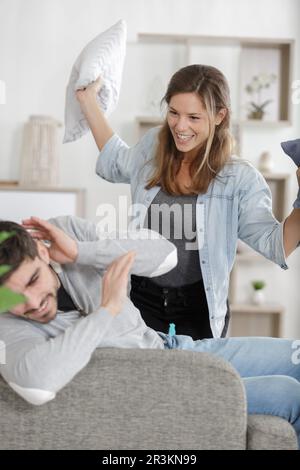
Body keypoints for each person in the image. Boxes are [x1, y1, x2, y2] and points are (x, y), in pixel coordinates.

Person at [0, 216, 299, 448]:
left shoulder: (65, 233)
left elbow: (165, 256)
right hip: (157, 386)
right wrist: (107, 311)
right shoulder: (5, 322)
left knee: (296, 356)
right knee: (289, 394)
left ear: (42, 252)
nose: (32, 303)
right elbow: (36, 385)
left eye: (33, 280)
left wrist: (81, 252)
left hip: (172, 348)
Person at [76, 64, 300, 341]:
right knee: (140, 379)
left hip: (200, 306)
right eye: (174, 113)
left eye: (194, 117)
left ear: (219, 116)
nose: (180, 126)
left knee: (195, 383)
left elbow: (277, 245)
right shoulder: (152, 149)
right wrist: (88, 101)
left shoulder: (240, 178)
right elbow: (116, 161)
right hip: (141, 296)